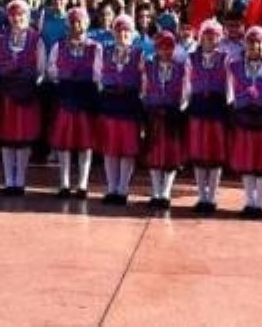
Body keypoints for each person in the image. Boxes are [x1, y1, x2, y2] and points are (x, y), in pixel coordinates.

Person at [227, 25, 262, 218]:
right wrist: (236, 106)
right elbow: (230, 93)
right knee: (246, 160)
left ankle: (259, 202)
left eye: (260, 43)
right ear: (246, 45)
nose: (256, 47)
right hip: (243, 117)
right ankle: (248, 201)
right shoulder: (234, 66)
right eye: (251, 43)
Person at [0, 0, 45, 195]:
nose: (16, 18)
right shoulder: (0, 37)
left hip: (26, 93)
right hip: (6, 93)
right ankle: (8, 179)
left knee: (22, 138)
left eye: (20, 14)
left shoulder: (35, 38)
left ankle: (20, 179)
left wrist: (29, 82)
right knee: (7, 138)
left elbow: (41, 68)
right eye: (13, 14)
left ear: (27, 16)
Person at [46, 7, 100, 199]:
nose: (76, 25)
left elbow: (99, 73)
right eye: (73, 22)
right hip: (66, 95)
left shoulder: (95, 47)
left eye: (80, 21)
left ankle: (83, 184)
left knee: (85, 143)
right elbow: (51, 70)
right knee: (64, 142)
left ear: (86, 24)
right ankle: (64, 183)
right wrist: (63, 76)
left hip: (85, 97)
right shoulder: (59, 46)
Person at [96, 14, 144, 205]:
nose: (122, 34)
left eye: (126, 30)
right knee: (110, 148)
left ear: (132, 33)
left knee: (127, 148)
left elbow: (144, 80)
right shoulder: (105, 51)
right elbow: (98, 75)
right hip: (110, 102)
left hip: (129, 103)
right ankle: (111, 188)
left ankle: (123, 190)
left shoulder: (139, 53)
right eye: (119, 30)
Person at [186, 20, 229, 214]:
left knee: (215, 154)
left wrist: (228, 104)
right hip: (197, 107)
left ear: (219, 38)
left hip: (217, 108)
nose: (210, 38)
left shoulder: (225, 58)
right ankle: (201, 196)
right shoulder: (191, 58)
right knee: (199, 153)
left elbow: (230, 85)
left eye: (214, 35)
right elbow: (186, 83)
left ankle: (212, 196)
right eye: (206, 35)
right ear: (200, 37)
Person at [141, 31, 189, 209]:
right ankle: (155, 192)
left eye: (170, 46)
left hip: (173, 113)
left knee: (170, 155)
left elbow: (186, 90)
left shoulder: (181, 67)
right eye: (162, 47)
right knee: (154, 154)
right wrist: (147, 104)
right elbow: (143, 88)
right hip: (154, 112)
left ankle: (166, 192)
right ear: (156, 48)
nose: (166, 50)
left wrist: (180, 107)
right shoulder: (148, 66)